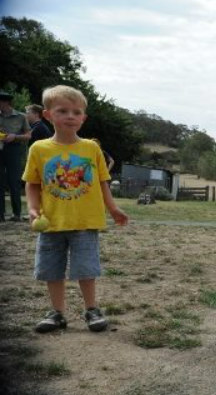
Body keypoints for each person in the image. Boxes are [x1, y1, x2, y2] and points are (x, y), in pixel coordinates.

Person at [22, 85, 129, 333]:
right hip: (51, 222)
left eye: (76, 112)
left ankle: (91, 309)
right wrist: (33, 209)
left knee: (86, 269)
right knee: (51, 269)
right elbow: (32, 184)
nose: (70, 116)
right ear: (48, 115)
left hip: (85, 221)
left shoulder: (91, 148)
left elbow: (103, 182)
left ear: (83, 118)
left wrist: (113, 208)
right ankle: (57, 313)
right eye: (62, 110)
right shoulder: (39, 149)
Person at [0, 90, 32, 222]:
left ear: (6, 102)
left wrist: (15, 136)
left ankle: (17, 214)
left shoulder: (21, 116)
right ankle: (0, 215)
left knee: (14, 181)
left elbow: (28, 135)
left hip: (14, 149)